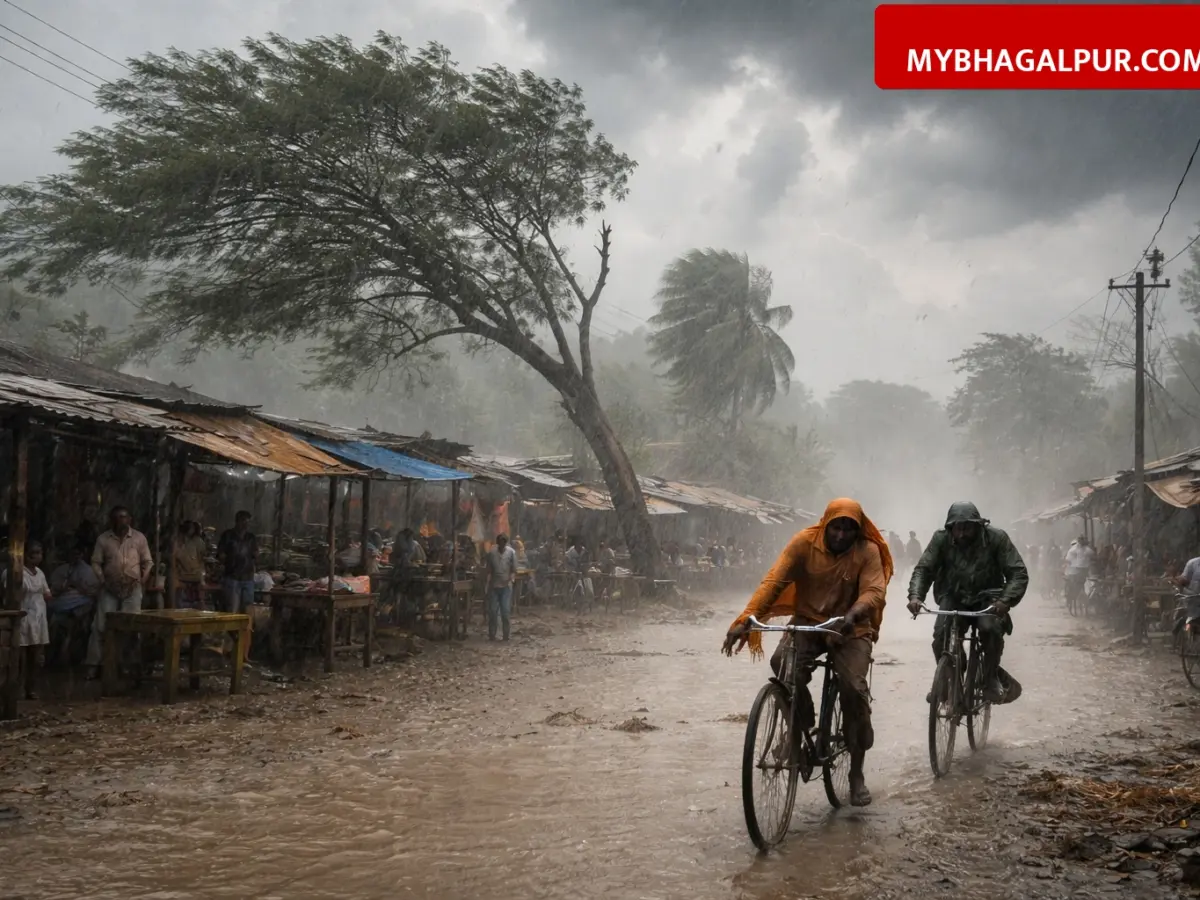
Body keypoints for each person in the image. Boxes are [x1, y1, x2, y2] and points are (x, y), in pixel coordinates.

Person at [722, 498, 893, 808]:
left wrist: (852, 615)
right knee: (781, 663)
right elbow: (773, 582)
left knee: (853, 688)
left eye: (848, 529)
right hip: (809, 623)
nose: (841, 535)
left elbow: (874, 591)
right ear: (825, 525)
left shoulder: (867, 552)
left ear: (858, 530)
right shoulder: (803, 543)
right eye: (836, 527)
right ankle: (801, 722)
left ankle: (856, 772)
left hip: (851, 627)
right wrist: (745, 620)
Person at [906, 501, 1028, 703]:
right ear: (950, 528)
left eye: (967, 527)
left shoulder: (996, 538)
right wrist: (915, 596)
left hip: (989, 598)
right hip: (953, 595)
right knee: (940, 636)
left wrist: (1005, 600)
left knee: (989, 630)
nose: (962, 533)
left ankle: (990, 678)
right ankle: (948, 677)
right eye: (957, 528)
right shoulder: (940, 539)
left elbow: (1018, 573)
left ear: (978, 525)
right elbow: (924, 570)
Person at [85, 506, 153, 680]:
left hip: (132, 588)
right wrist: (102, 580)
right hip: (109, 587)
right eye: (118, 517)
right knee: (101, 626)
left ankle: (127, 665)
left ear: (130, 519)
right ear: (112, 520)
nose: (122, 520)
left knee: (131, 626)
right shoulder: (103, 539)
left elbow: (148, 562)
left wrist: (142, 580)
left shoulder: (139, 538)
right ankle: (94, 665)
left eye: (125, 517)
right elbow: (95, 562)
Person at [2, 541, 51, 699]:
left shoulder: (40, 573)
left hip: (39, 616)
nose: (37, 556)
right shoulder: (13, 572)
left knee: (35, 656)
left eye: (39, 553)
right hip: (23, 615)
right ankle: (16, 689)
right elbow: (9, 594)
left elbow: (46, 593)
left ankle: (31, 688)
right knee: (19, 655)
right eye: (33, 553)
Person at [47, 543, 100, 666]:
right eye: (73, 554)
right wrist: (64, 587)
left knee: (82, 627)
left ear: (82, 555)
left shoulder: (89, 571)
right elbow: (53, 590)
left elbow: (92, 593)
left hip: (82, 607)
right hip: (61, 606)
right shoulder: (61, 570)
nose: (75, 557)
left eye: (78, 554)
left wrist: (79, 588)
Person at [217, 511, 258, 613]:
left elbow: (256, 553)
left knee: (247, 609)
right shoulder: (228, 535)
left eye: (248, 522)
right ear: (237, 521)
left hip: (247, 577)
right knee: (232, 610)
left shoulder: (251, 537)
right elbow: (220, 554)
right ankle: (232, 629)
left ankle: (246, 629)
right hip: (232, 577)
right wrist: (230, 561)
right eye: (243, 521)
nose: (245, 524)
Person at [483, 533, 518, 641]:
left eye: (503, 543)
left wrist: (511, 579)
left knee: (505, 611)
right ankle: (492, 635)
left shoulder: (511, 553)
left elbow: (514, 569)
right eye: (500, 543)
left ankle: (506, 636)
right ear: (498, 543)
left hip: (506, 587)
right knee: (493, 611)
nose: (502, 545)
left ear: (506, 543)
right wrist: (487, 583)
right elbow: (488, 569)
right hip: (494, 586)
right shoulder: (492, 553)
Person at [174, 520, 209, 609]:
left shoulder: (198, 541)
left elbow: (202, 558)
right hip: (181, 579)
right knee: (180, 607)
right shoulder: (178, 541)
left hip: (196, 578)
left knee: (198, 606)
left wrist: (202, 578)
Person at [1064, 535, 1095, 610]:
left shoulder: (1086, 549)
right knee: (1074, 585)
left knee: (1085, 584)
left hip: (1083, 571)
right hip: (1075, 571)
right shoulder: (1073, 550)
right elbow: (1068, 560)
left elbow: (1092, 554)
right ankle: (1071, 598)